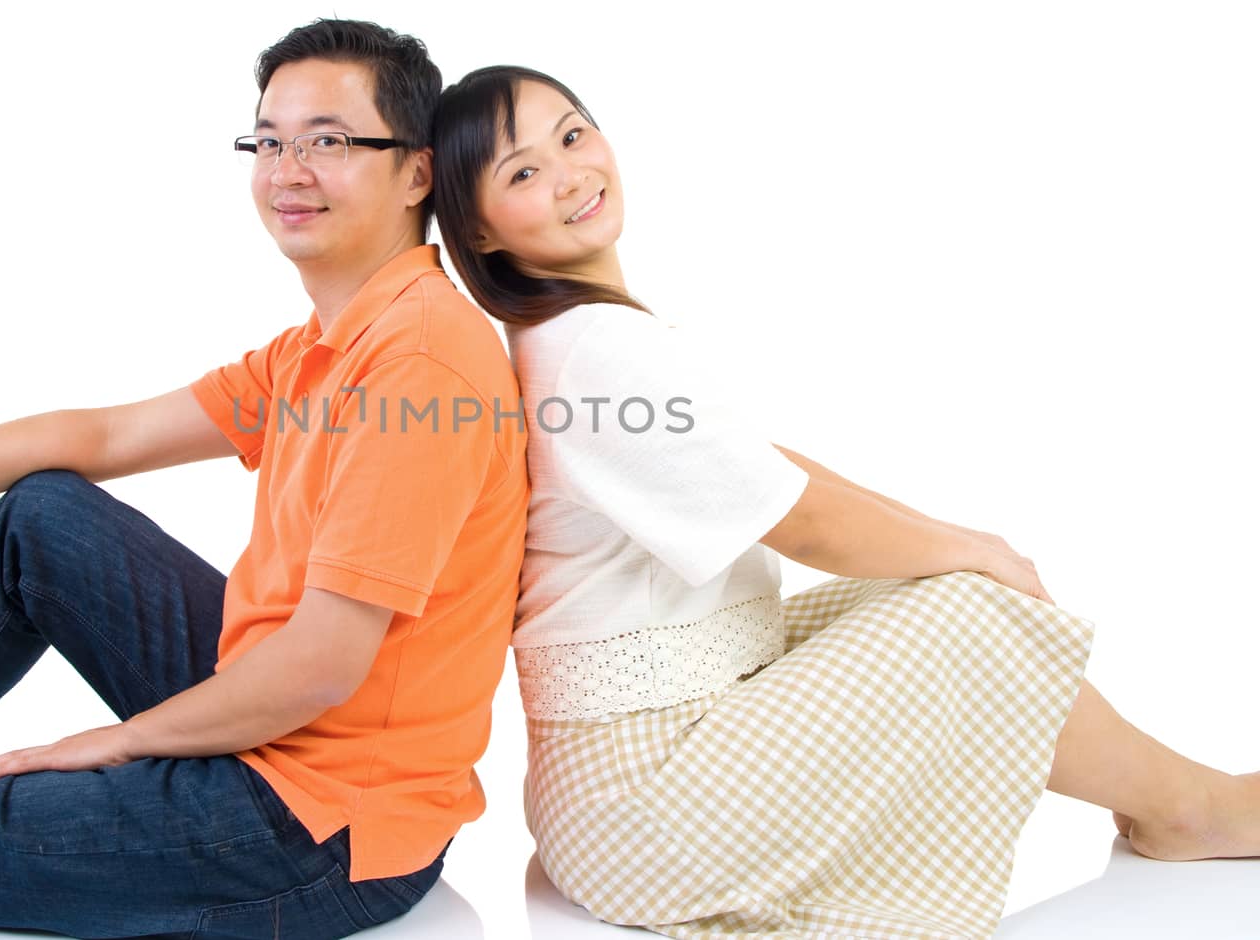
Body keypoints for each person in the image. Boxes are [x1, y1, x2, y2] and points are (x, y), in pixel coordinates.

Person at [0, 20, 530, 940]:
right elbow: (106, 434)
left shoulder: (419, 361)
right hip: (285, 726)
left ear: (417, 173)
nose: (287, 170)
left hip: (322, 829)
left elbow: (320, 666)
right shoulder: (327, 342)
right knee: (45, 519)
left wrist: (114, 746)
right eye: (268, 140)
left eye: (327, 141)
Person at [429, 65, 1260, 938]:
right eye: (522, 172)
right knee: (968, 613)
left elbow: (760, 468)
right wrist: (974, 552)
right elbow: (803, 521)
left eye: (573, 134)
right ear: (478, 230)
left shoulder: (570, 336)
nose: (570, 174)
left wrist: (958, 540)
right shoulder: (596, 351)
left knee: (938, 593)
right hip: (652, 805)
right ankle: (1194, 808)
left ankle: (1178, 799)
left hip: (609, 797)